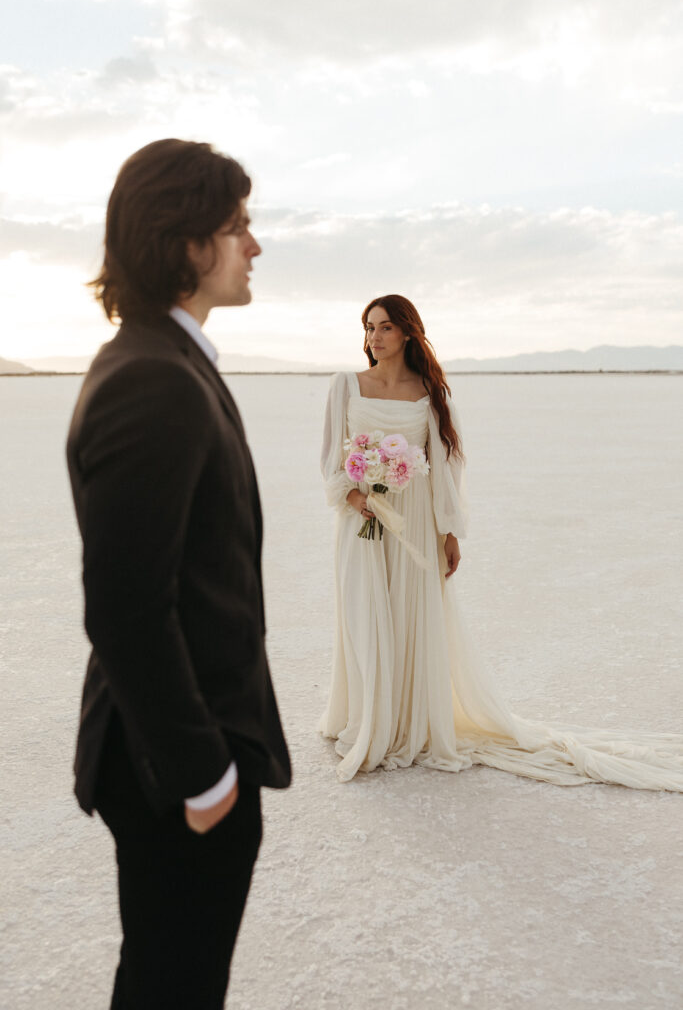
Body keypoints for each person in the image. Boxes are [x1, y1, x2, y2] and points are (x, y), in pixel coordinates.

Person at [66, 139, 291, 1010]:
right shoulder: (150, 379)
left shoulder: (168, 359)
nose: (254, 246)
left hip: (185, 750)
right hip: (174, 768)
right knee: (172, 986)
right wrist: (204, 774)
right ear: (186, 240)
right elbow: (125, 610)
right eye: (238, 227)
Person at [319, 293, 683, 791]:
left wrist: (447, 531)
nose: (373, 338)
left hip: (415, 526)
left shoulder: (428, 391)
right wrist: (358, 497)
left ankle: (404, 723)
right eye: (368, 328)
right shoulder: (346, 385)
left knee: (408, 619)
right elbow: (330, 461)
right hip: (362, 522)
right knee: (365, 617)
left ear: (407, 333)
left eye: (383, 328)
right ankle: (368, 720)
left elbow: (445, 468)